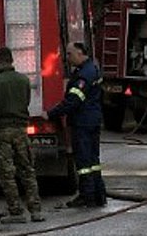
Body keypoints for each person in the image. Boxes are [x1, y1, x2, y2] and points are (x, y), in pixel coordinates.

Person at [0, 47, 45, 224]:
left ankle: (16, 211)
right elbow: (26, 102)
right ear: (11, 60)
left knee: (7, 173)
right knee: (27, 170)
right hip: (21, 130)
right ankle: (36, 210)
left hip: (2, 132)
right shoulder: (24, 80)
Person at [45, 41, 106, 208]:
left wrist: (51, 113)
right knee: (93, 161)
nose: (68, 58)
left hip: (83, 123)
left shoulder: (84, 74)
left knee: (84, 161)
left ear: (80, 53)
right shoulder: (90, 69)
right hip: (91, 120)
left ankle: (88, 196)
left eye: (70, 54)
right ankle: (98, 195)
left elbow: (73, 101)